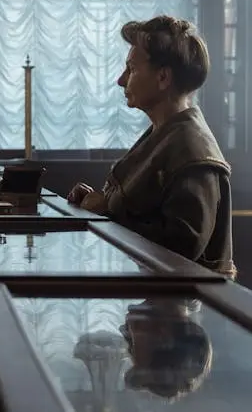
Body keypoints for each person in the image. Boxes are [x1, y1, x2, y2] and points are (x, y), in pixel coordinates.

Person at [68, 16, 234, 277]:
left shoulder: (192, 149)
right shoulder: (165, 133)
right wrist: (98, 203)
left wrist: (107, 212)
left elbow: (183, 247)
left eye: (131, 69)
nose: (121, 80)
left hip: (188, 310)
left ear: (163, 77)